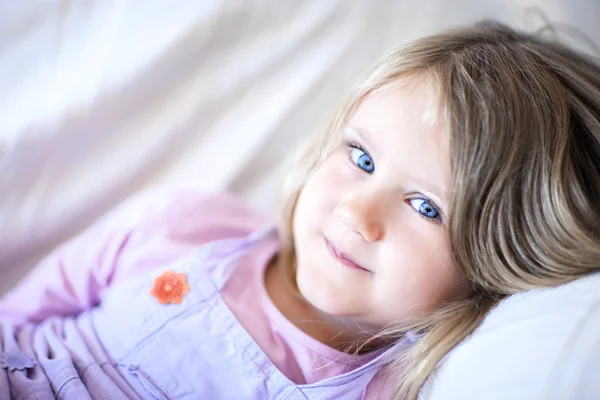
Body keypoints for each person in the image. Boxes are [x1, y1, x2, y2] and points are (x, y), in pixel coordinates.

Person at [1, 20, 600, 400]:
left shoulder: (392, 389)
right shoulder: (187, 224)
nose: (358, 213)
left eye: (425, 206)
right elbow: (19, 317)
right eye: (361, 159)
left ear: (496, 262)